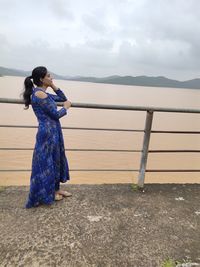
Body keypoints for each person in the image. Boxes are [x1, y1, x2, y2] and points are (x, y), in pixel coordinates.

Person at [23, 66, 72, 208]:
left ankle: (56, 189)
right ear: (41, 79)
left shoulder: (43, 93)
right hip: (47, 133)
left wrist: (52, 85)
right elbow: (56, 114)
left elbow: (62, 98)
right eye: (49, 76)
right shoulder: (39, 95)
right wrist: (66, 108)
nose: (51, 78)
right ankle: (48, 193)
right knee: (46, 163)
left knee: (55, 160)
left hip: (53, 130)